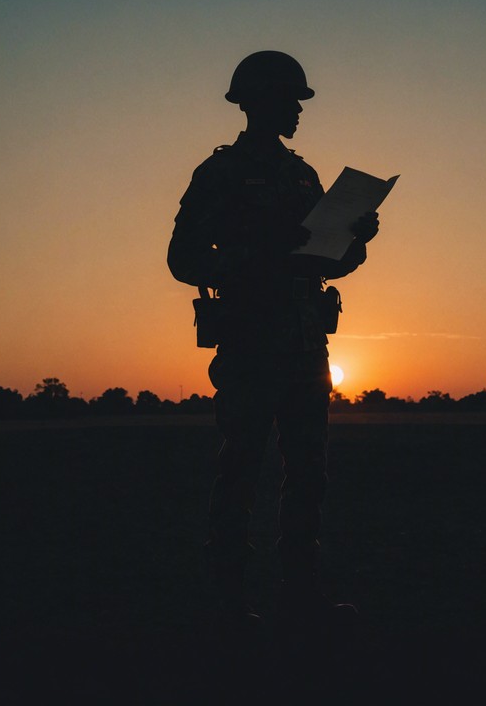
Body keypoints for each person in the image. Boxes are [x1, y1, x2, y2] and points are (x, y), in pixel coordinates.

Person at [167, 51, 379, 630]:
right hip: (249, 342)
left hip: (307, 344)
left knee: (309, 471)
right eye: (290, 100)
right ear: (255, 104)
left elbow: (326, 262)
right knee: (241, 468)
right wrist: (255, 258)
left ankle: (302, 595)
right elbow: (182, 259)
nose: (297, 112)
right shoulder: (221, 173)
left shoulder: (304, 175)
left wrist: (356, 240)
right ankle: (229, 602)